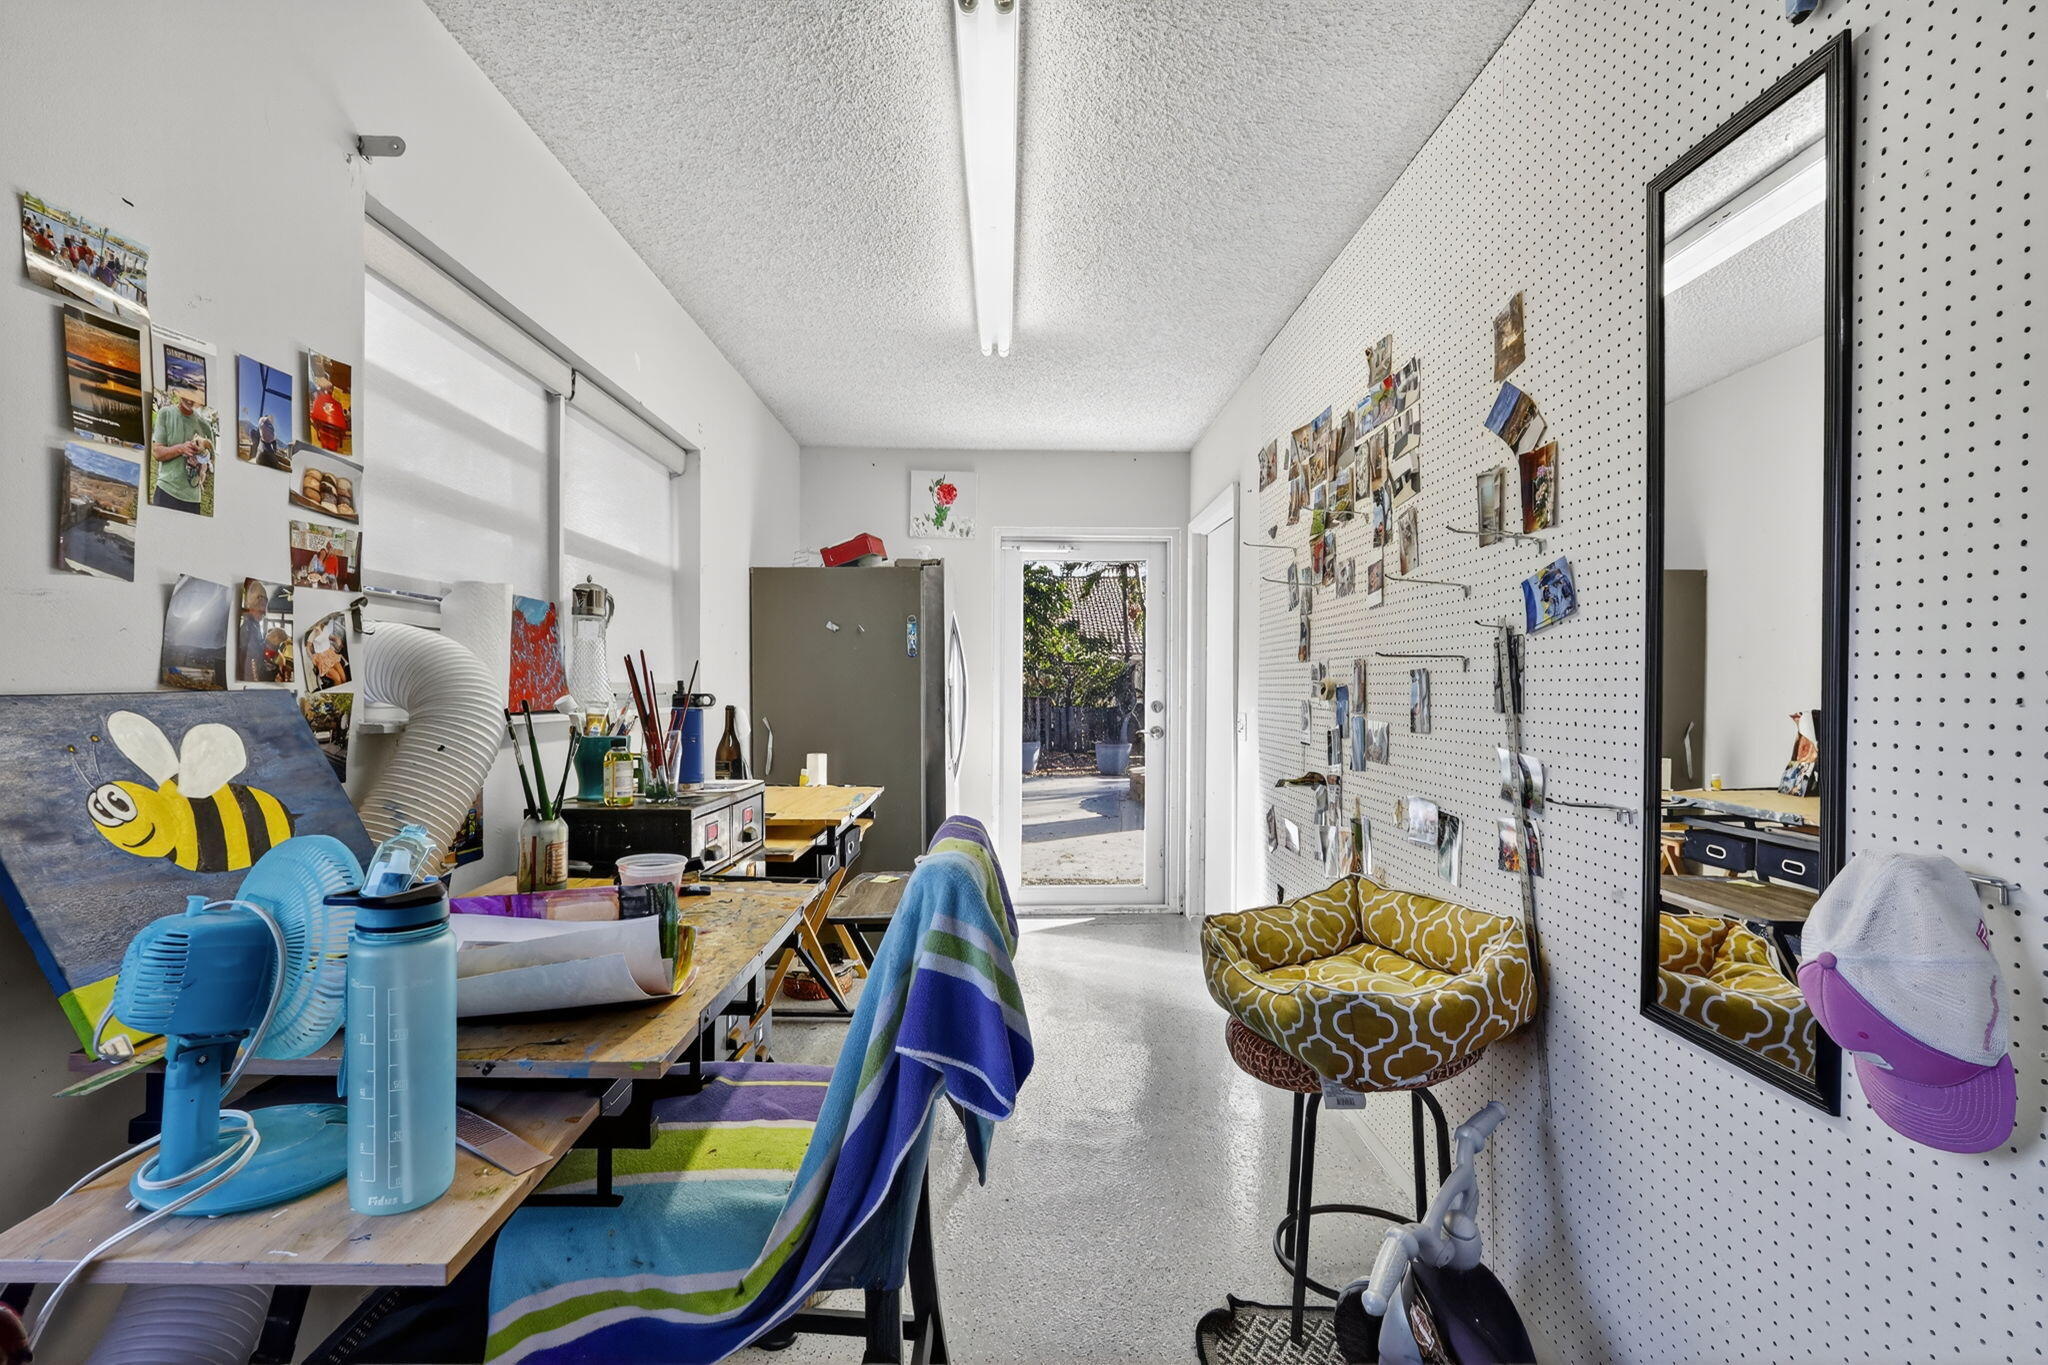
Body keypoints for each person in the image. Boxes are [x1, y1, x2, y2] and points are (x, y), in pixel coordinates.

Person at [150, 394, 214, 512]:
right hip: (165, 491)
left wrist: (199, 463)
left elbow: (209, 462)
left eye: (195, 396)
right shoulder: (165, 413)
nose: (190, 399)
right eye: (187, 393)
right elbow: (157, 453)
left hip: (192, 500)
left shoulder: (205, 427)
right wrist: (181, 448)